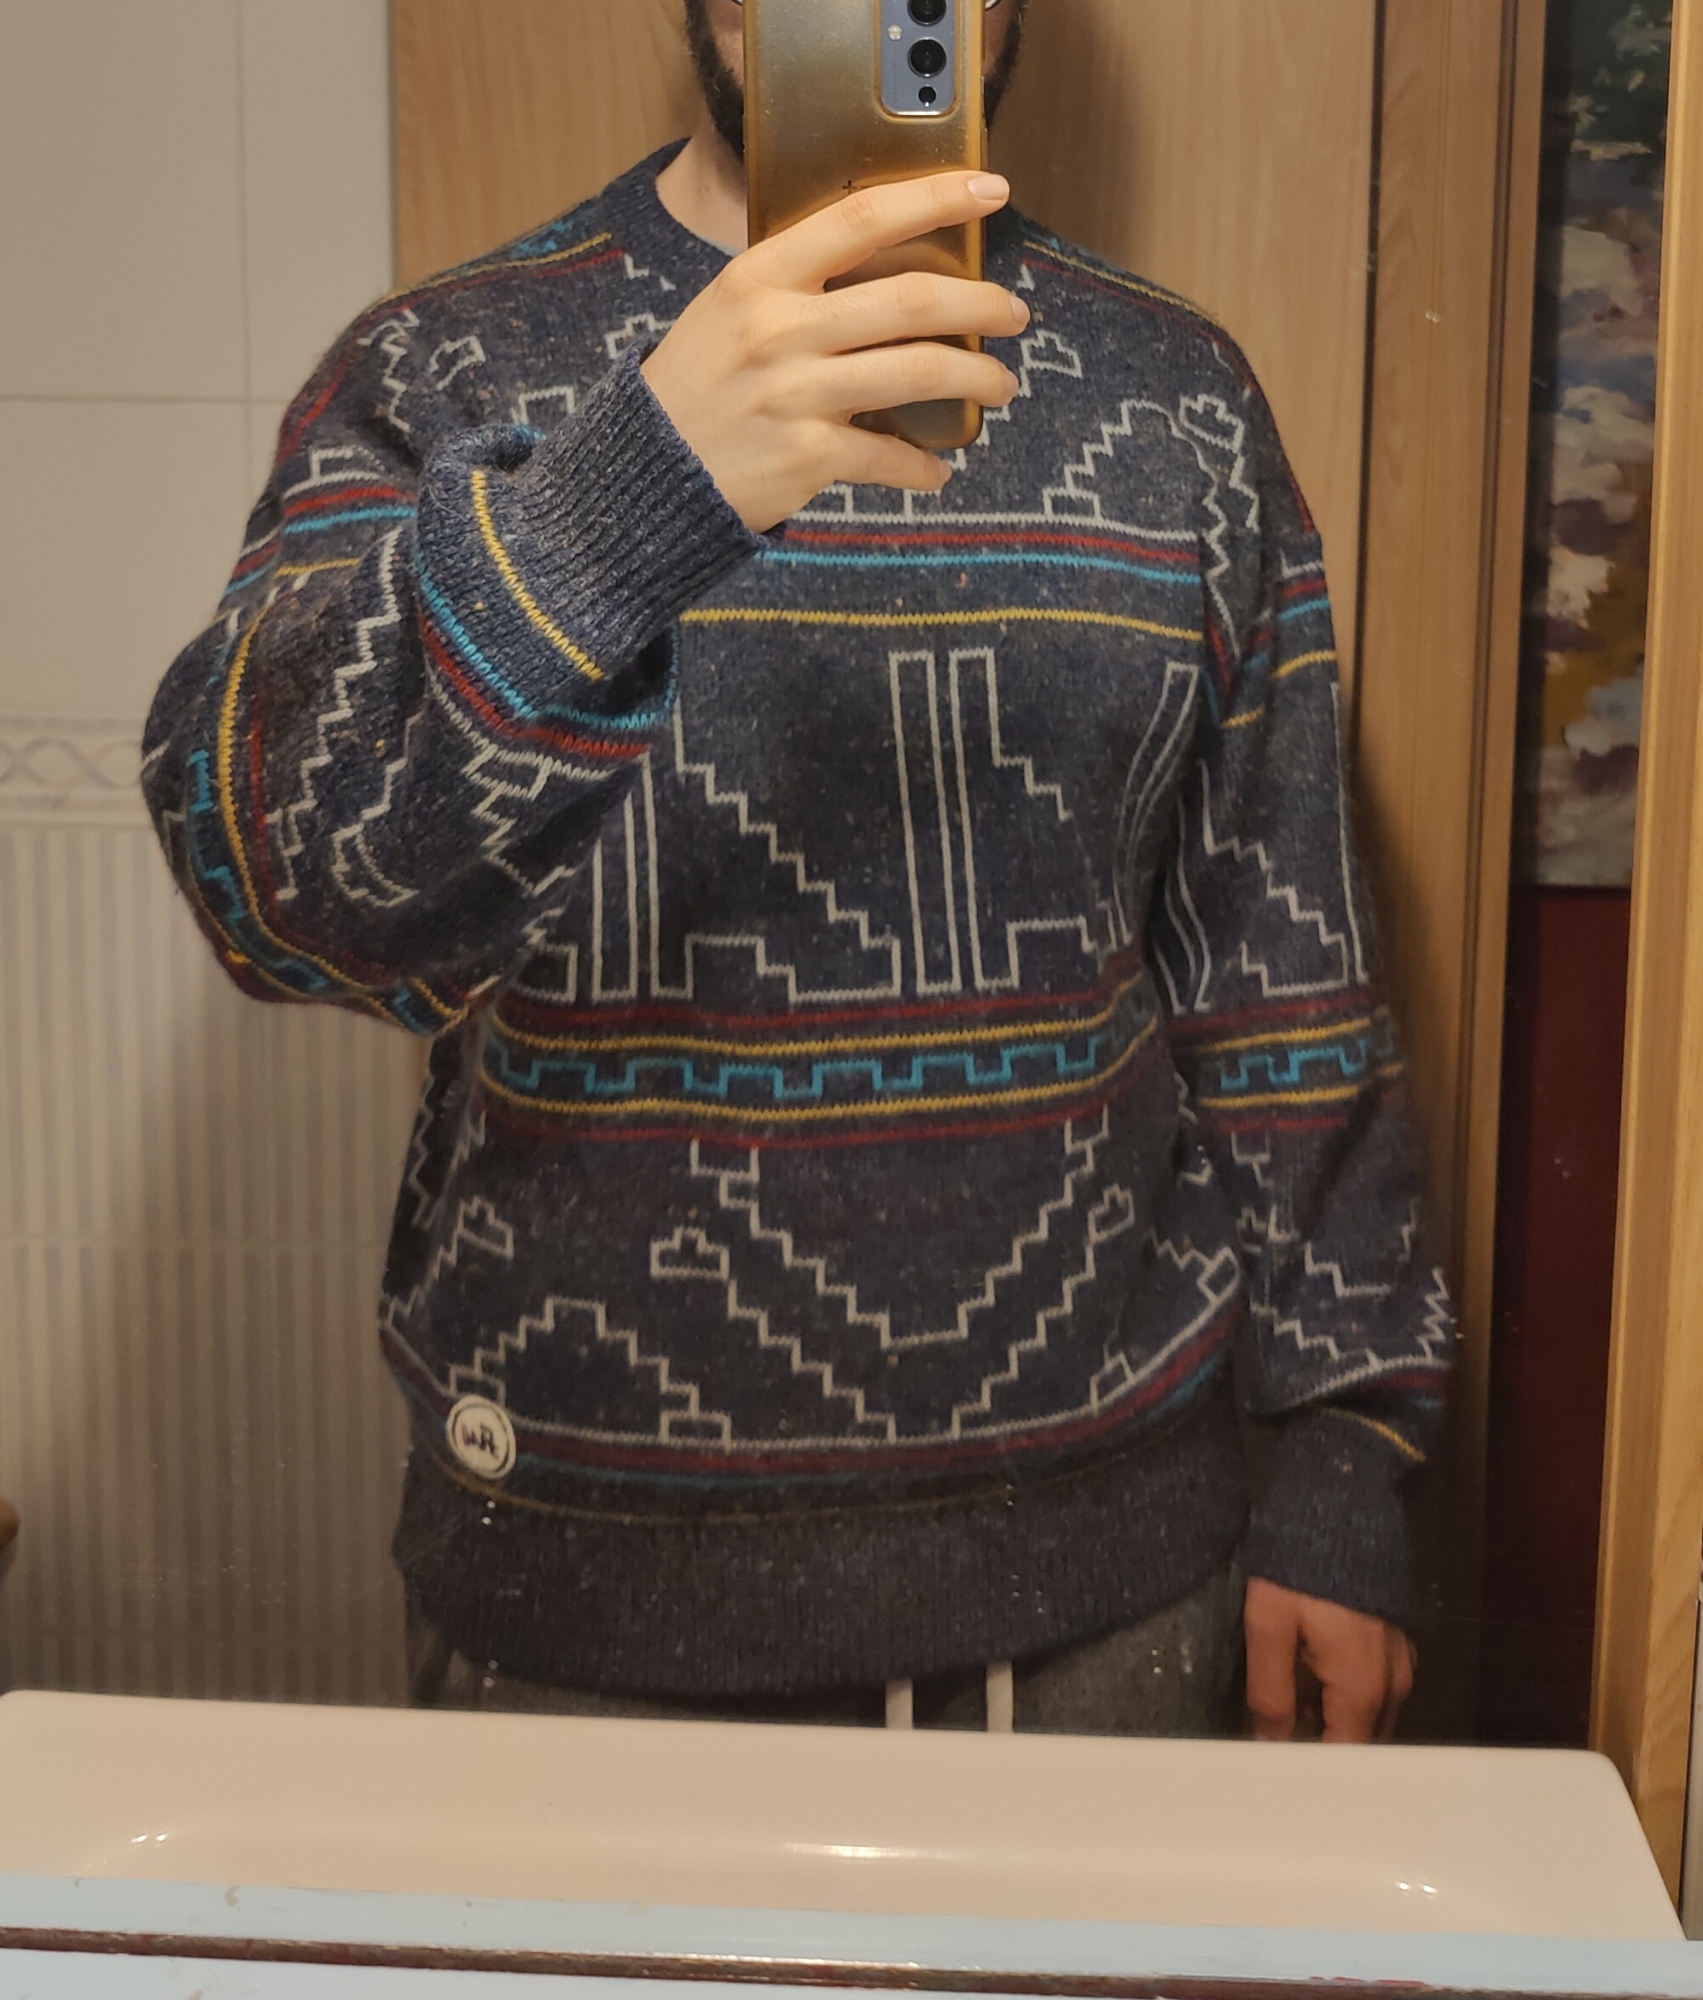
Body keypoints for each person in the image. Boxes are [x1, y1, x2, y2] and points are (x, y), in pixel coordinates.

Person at [142, 0, 1452, 1741]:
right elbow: (269, 894)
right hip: (579, 1594)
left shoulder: (1180, 398)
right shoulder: (449, 368)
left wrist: (1347, 1453)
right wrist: (622, 504)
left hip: (1112, 1582)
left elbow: (1282, 965)